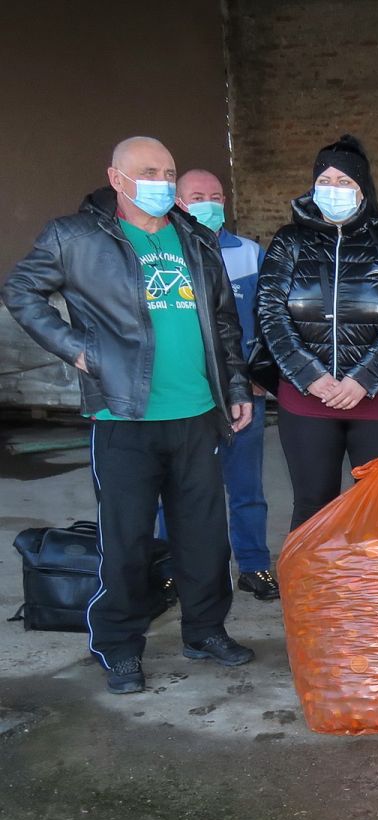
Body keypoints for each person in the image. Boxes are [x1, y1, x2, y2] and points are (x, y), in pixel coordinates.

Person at [3, 136, 254, 694]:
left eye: (168, 171)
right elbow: (21, 291)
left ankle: (206, 630)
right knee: (126, 540)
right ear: (117, 178)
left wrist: (235, 386)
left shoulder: (194, 236)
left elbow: (223, 322)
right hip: (124, 416)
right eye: (149, 171)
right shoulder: (75, 237)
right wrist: (76, 348)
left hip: (197, 411)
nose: (163, 181)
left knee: (205, 535)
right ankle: (117, 646)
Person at [256, 135, 378, 530]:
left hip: (377, 399)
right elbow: (271, 313)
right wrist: (312, 376)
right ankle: (311, 592)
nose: (334, 190)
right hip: (308, 398)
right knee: (313, 506)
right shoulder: (289, 242)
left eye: (345, 183)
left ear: (363, 191)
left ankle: (372, 592)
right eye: (326, 181)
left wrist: (363, 378)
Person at [175, 169, 277, 600]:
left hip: (241, 396)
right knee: (179, 492)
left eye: (215, 195)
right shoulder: (165, 253)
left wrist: (257, 378)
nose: (209, 203)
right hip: (185, 398)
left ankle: (253, 565)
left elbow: (269, 321)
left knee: (246, 489)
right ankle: (173, 569)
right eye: (197, 195)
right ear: (178, 202)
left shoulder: (249, 254)